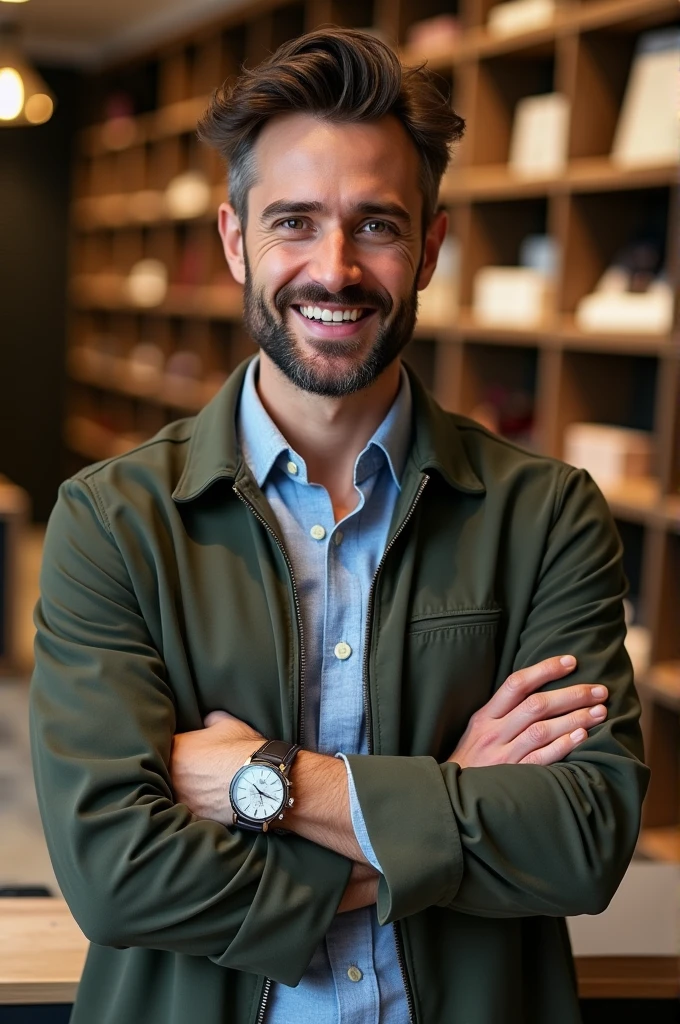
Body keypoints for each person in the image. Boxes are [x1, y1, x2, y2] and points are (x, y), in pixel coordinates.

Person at [30, 28, 649, 1024]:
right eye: (293, 222)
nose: (333, 268)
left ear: (430, 247)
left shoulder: (544, 513)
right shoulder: (114, 521)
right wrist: (445, 798)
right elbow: (114, 872)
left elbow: (581, 839)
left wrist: (265, 780)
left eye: (374, 225)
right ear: (235, 239)